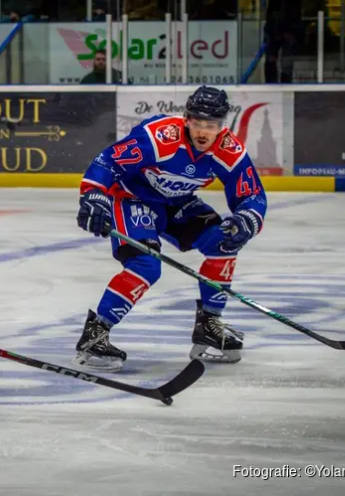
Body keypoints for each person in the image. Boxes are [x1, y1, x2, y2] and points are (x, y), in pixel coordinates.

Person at [74, 86, 267, 371]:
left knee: (225, 241)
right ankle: (95, 334)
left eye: (211, 125)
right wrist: (94, 196)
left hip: (176, 203)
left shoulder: (230, 151)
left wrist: (247, 220)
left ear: (222, 125)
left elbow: (251, 195)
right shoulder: (159, 136)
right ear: (187, 119)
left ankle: (209, 323)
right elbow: (109, 161)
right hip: (132, 197)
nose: (203, 132)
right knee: (146, 264)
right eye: (198, 123)